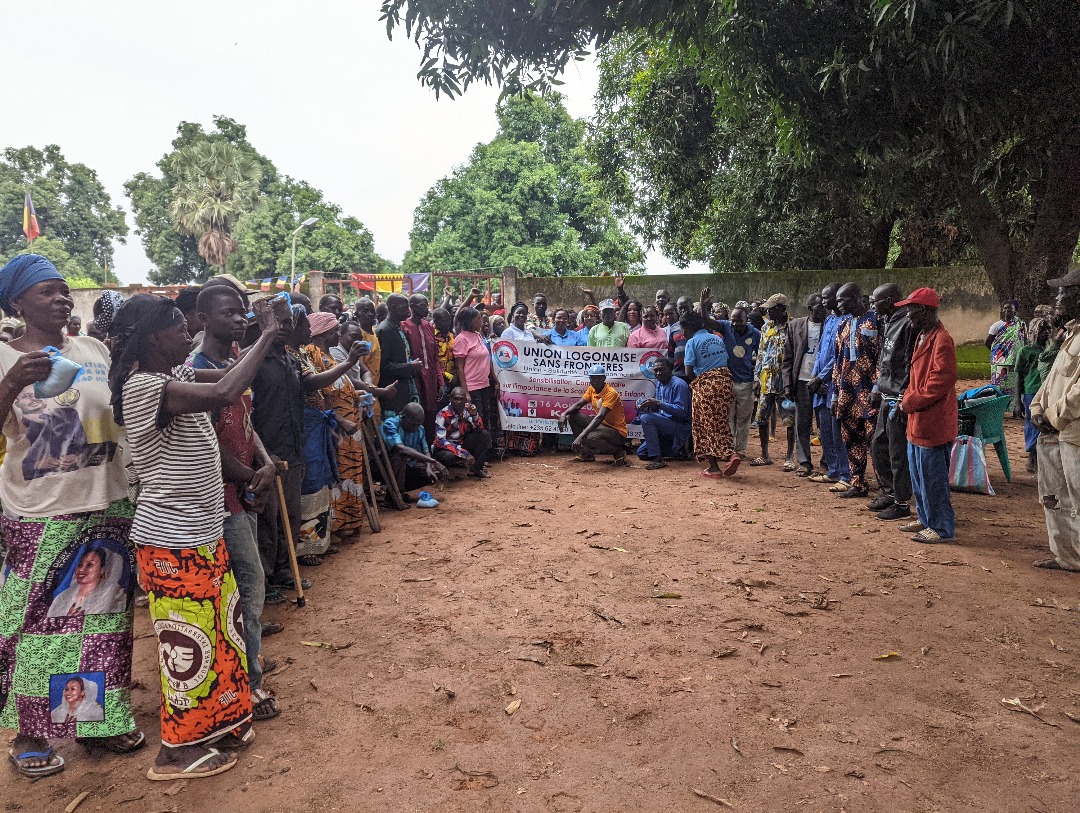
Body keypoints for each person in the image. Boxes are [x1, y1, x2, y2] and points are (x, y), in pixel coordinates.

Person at [110, 292, 279, 779]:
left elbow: (230, 385)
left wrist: (253, 472)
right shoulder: (145, 387)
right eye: (180, 329)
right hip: (172, 540)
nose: (188, 337)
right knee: (187, 647)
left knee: (219, 635)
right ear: (151, 337)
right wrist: (265, 334)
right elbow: (227, 393)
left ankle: (220, 721)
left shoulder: (174, 376)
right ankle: (175, 752)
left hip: (201, 533)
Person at [0, 255, 143, 779]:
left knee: (101, 625)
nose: (61, 299)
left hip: (106, 503)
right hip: (40, 511)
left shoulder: (93, 349)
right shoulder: (3, 359)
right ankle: (31, 732)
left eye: (64, 291)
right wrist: (12, 382)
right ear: (17, 303)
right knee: (38, 626)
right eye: (46, 292)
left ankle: (95, 723)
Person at [191, 285, 281, 720]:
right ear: (202, 318)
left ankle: (249, 664)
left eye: (242, 312)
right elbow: (205, 445)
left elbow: (246, 422)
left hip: (245, 489)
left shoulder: (232, 364)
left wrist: (263, 463)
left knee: (249, 585)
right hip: (219, 499)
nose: (239, 319)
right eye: (228, 313)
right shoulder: (194, 372)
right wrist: (252, 475)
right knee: (247, 585)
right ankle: (249, 683)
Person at [251, 305, 308, 604]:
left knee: (293, 515)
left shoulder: (290, 359)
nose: (285, 327)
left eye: (288, 323)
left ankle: (287, 570)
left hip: (293, 447)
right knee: (269, 520)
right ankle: (267, 577)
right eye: (278, 322)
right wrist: (263, 454)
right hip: (266, 453)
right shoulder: (253, 360)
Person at [1028, 267, 1080, 571]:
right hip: (1051, 431)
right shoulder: (1071, 332)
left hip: (1071, 432)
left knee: (1076, 499)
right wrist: (1037, 408)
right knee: (1055, 498)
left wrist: (1054, 416)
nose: (1058, 297)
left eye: (1065, 291)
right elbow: (1051, 382)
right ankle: (1066, 556)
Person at [897, 288, 958, 544]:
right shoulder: (923, 335)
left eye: (911, 309)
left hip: (932, 421)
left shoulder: (942, 340)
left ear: (923, 310)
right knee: (919, 475)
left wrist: (909, 402)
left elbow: (939, 382)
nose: (907, 314)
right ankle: (926, 518)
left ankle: (942, 528)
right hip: (918, 420)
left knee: (933, 479)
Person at [868, 284, 918, 520]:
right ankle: (888, 492)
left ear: (888, 301)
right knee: (878, 445)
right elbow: (884, 359)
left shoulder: (906, 323)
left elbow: (909, 363)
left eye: (875, 301)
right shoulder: (890, 321)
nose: (873, 306)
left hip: (898, 396)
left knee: (897, 451)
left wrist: (902, 397)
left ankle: (901, 502)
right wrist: (878, 386)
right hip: (886, 393)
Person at [832, 283, 881, 499]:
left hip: (870, 390)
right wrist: (835, 394)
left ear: (856, 298)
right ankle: (858, 483)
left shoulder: (875, 320)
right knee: (851, 438)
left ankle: (886, 490)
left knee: (875, 441)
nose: (839, 304)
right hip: (846, 392)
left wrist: (878, 386)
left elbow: (882, 357)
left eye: (843, 300)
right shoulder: (842, 325)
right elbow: (837, 360)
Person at [681, 310, 739, 478]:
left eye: (683, 329)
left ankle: (721, 461)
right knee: (720, 423)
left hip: (705, 387)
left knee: (703, 426)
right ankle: (727, 456)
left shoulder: (692, 343)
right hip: (725, 384)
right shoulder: (717, 338)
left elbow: (688, 371)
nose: (682, 333)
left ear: (688, 327)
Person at [807, 283, 852, 488]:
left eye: (827, 298)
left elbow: (838, 356)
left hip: (834, 385)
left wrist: (822, 378)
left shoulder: (848, 321)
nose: (824, 302)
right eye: (823, 298)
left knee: (837, 431)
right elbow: (821, 351)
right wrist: (815, 375)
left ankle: (845, 473)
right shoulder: (829, 320)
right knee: (824, 429)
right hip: (820, 384)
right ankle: (833, 470)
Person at [782, 294, 827, 476]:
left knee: (824, 423)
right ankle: (804, 461)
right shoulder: (795, 326)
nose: (823, 310)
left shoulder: (831, 325)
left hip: (822, 382)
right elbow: (787, 358)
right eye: (819, 307)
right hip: (802, 381)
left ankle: (826, 462)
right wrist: (787, 385)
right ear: (810, 308)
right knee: (802, 423)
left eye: (824, 306)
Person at [554, 364, 629, 464]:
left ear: (604, 378)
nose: (595, 381)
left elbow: (600, 416)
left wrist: (581, 435)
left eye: (598, 378)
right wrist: (564, 414)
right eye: (592, 378)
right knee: (573, 416)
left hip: (617, 432)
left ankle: (618, 452)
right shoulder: (591, 389)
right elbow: (578, 405)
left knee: (592, 437)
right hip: (603, 426)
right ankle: (586, 454)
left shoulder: (611, 393)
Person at [453, 306, 501, 454]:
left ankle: (482, 454)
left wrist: (495, 380)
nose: (481, 321)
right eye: (478, 318)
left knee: (484, 420)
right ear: (469, 321)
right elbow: (459, 367)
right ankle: (474, 455)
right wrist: (465, 391)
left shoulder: (478, 336)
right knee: (475, 421)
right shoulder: (461, 339)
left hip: (484, 384)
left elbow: (488, 360)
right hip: (472, 386)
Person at [752, 294, 793, 467]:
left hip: (784, 382)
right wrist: (756, 377)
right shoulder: (766, 326)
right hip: (766, 380)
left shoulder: (793, 327)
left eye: (770, 308)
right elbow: (761, 353)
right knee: (762, 418)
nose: (767, 311)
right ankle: (765, 455)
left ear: (781, 309)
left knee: (790, 419)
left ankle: (790, 458)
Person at [380, 402, 447, 498]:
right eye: (414, 424)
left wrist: (429, 466)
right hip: (384, 466)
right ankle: (393, 496)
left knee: (435, 472)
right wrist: (432, 461)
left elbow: (426, 451)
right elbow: (400, 448)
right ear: (404, 417)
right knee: (400, 456)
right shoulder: (390, 424)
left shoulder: (420, 429)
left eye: (419, 424)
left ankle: (398, 489)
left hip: (407, 466)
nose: (416, 427)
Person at [635, 356, 691, 468]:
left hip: (679, 426)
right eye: (656, 370)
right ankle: (676, 450)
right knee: (641, 453)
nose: (658, 373)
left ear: (670, 369)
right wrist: (646, 406)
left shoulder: (679, 384)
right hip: (666, 424)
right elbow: (659, 408)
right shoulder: (660, 384)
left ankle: (658, 459)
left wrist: (658, 403)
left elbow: (681, 412)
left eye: (661, 369)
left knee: (647, 418)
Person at [375, 293, 423, 416]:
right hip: (394, 395)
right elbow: (384, 366)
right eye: (404, 307)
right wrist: (410, 366)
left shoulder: (398, 327)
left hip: (404, 389)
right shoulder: (384, 330)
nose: (408, 311)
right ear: (393, 307)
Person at [403, 294, 441, 443]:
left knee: (431, 415)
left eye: (426, 304)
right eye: (422, 304)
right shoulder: (404, 326)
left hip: (431, 379)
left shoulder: (428, 326)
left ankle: (429, 451)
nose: (427, 307)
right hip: (415, 378)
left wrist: (441, 382)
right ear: (412, 307)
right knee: (416, 414)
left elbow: (435, 358)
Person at [1015, 317, 1051, 473]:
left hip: (1048, 392)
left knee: (1046, 423)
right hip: (1031, 392)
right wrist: (1017, 401)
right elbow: (1019, 377)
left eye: (1048, 329)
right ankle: (1032, 455)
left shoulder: (1051, 351)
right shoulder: (1025, 351)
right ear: (1035, 331)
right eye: (1043, 329)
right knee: (1032, 424)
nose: (1047, 333)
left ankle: (1043, 457)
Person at [433, 387, 492, 478]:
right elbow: (440, 441)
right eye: (456, 399)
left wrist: (475, 415)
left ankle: (475, 469)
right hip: (444, 448)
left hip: (461, 443)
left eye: (462, 399)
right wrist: (465, 453)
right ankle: (443, 474)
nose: (459, 402)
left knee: (484, 435)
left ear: (465, 400)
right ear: (450, 399)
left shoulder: (467, 410)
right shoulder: (442, 415)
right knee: (449, 456)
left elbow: (479, 429)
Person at [986, 299, 1027, 413]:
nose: (1007, 311)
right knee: (1000, 386)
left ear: (1015, 311)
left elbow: (1024, 340)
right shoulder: (997, 325)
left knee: (1014, 386)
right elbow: (988, 342)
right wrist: (999, 354)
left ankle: (1015, 410)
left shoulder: (1020, 325)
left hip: (1015, 361)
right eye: (1005, 308)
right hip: (1001, 362)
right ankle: (999, 410)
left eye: (1010, 309)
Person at [431, 307, 456, 393]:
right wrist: (448, 376)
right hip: (439, 381)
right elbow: (433, 361)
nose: (448, 323)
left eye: (449, 320)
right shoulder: (431, 337)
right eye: (445, 320)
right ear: (436, 321)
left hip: (455, 380)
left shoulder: (452, 336)